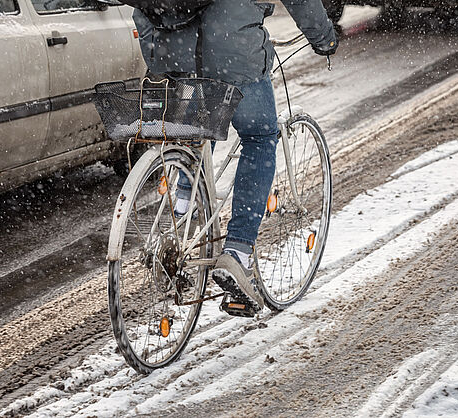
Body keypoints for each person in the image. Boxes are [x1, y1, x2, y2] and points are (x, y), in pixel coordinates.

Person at [133, 0, 338, 313]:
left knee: (198, 130)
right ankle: (238, 253)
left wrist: (158, 51)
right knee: (260, 137)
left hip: (174, 54)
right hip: (233, 52)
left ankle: (179, 216)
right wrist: (324, 37)